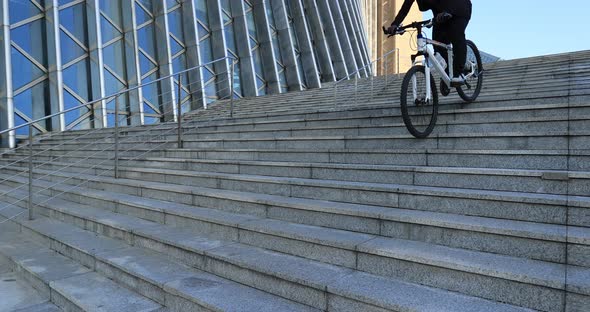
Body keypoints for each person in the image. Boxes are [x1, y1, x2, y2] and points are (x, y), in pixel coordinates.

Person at [385, 0, 472, 92]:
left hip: (459, 9)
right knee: (438, 45)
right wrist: (395, 24)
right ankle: (447, 74)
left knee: (456, 35)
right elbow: (405, 8)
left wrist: (448, 11)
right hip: (441, 16)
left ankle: (460, 71)